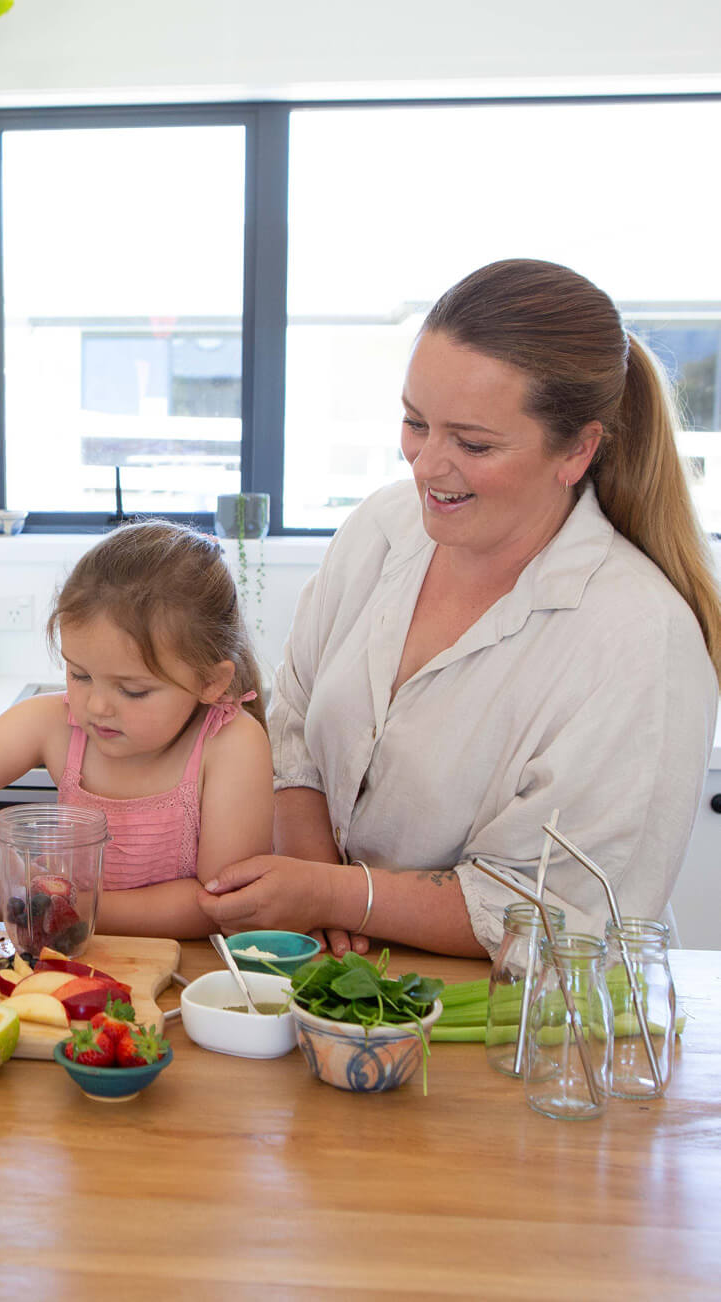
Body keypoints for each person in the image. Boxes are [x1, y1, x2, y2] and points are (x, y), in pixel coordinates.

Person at [199, 258, 721, 958]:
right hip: (339, 977)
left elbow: (557, 911)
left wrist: (334, 895)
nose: (425, 465)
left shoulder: (639, 639)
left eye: (472, 444)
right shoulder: (385, 527)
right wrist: (318, 883)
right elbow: (293, 726)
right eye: (416, 423)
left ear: (578, 451)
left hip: (517, 1025)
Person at [0, 522, 273, 939]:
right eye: (79, 675)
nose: (95, 706)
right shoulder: (56, 723)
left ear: (210, 682)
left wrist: (21, 903)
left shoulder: (232, 746)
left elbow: (217, 905)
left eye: (132, 690)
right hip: (70, 950)